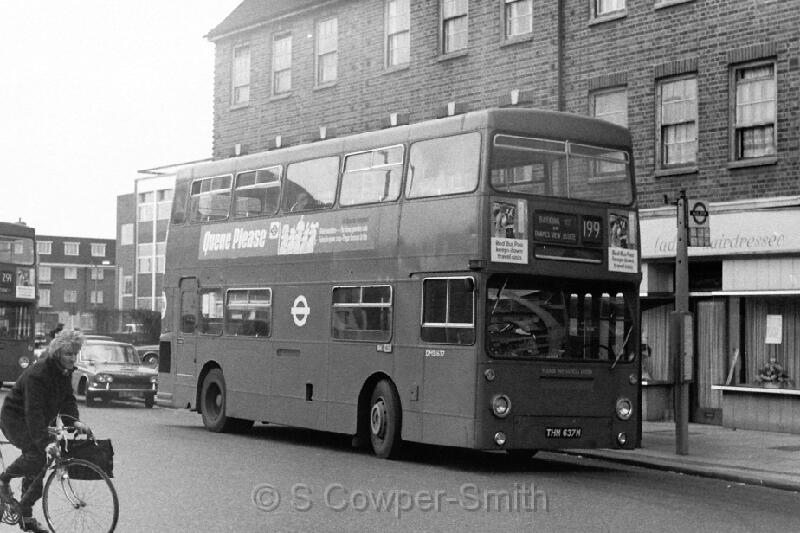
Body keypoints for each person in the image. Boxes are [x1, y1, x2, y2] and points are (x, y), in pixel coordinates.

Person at [0, 330, 92, 532]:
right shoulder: (38, 374)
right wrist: (45, 442)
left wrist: (74, 422)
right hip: (15, 419)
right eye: (68, 354)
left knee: (39, 466)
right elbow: (33, 411)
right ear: (58, 353)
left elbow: (68, 400)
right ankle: (3, 480)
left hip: (37, 420)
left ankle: (25, 516)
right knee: (37, 455)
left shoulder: (63, 372)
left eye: (75, 354)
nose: (72, 358)